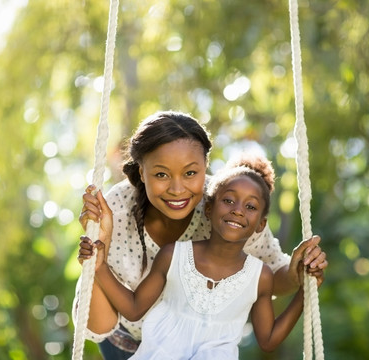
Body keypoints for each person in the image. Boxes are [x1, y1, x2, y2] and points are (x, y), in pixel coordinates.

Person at [75, 110, 327, 359]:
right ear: (142, 172)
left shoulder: (227, 206)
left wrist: (300, 275)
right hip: (123, 341)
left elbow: (274, 277)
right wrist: (101, 246)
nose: (177, 189)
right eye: (161, 174)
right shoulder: (117, 209)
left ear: (206, 167)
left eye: (190, 173)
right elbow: (100, 323)